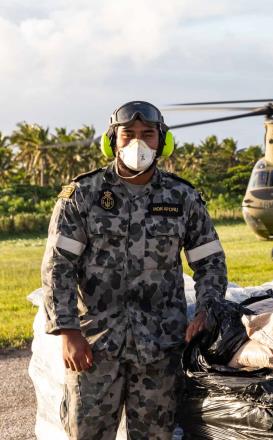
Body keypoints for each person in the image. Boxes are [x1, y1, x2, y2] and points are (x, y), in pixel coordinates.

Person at [41, 101, 228, 439]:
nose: (138, 143)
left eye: (148, 134)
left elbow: (210, 261)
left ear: (162, 142)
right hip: (94, 347)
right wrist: (68, 331)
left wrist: (206, 310)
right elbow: (58, 267)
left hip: (161, 347)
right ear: (113, 141)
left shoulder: (182, 196)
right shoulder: (84, 194)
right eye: (128, 134)